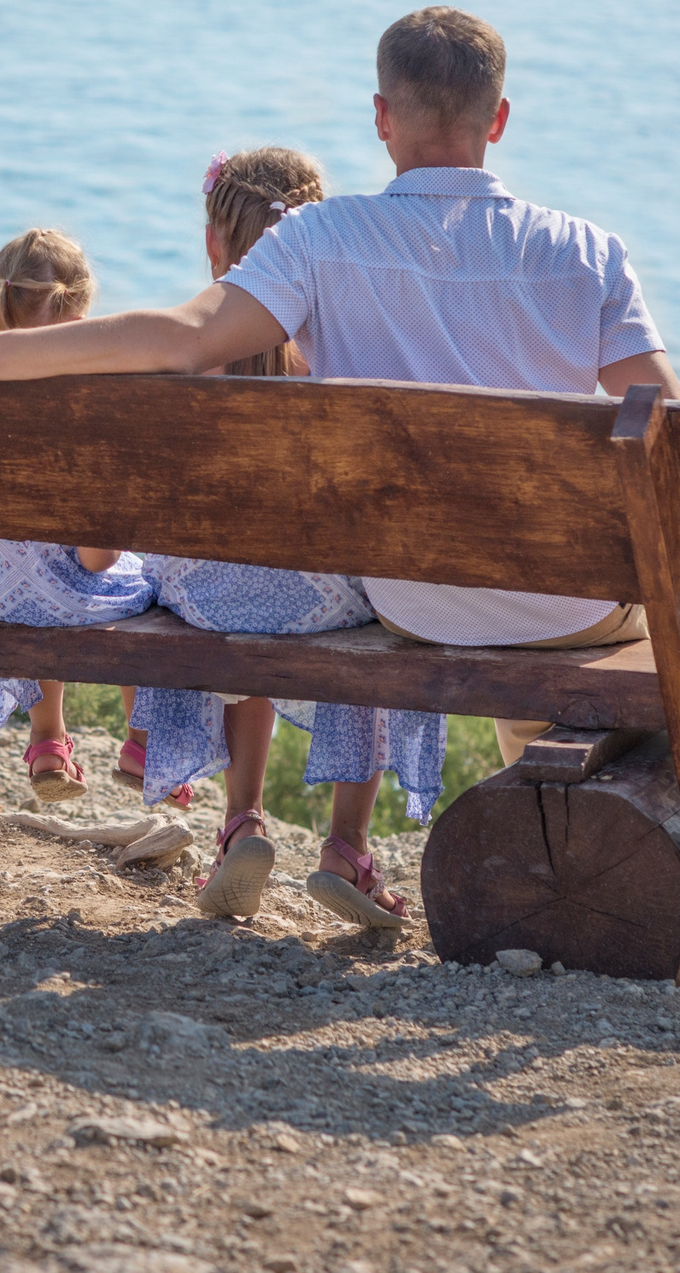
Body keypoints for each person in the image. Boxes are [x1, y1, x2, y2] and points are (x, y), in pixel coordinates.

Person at [0, 5, 680, 777]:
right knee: (577, 618)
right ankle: (562, 801)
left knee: (492, 615)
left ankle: (547, 797)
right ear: (499, 119)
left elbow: (183, 341)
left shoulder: (321, 240)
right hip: (571, 609)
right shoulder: (587, 253)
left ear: (382, 117)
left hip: (413, 599)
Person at [126, 148, 443, 925]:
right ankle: (347, 845)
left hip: (207, 594)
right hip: (320, 600)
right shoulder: (340, 360)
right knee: (360, 594)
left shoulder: (181, 359)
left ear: (213, 244)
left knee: (243, 574)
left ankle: (242, 820)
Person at [0, 229, 155, 800]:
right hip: (43, 592)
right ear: (79, 319)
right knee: (137, 582)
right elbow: (96, 559)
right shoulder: (90, 399)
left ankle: (47, 740)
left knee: (32, 567)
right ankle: (142, 745)